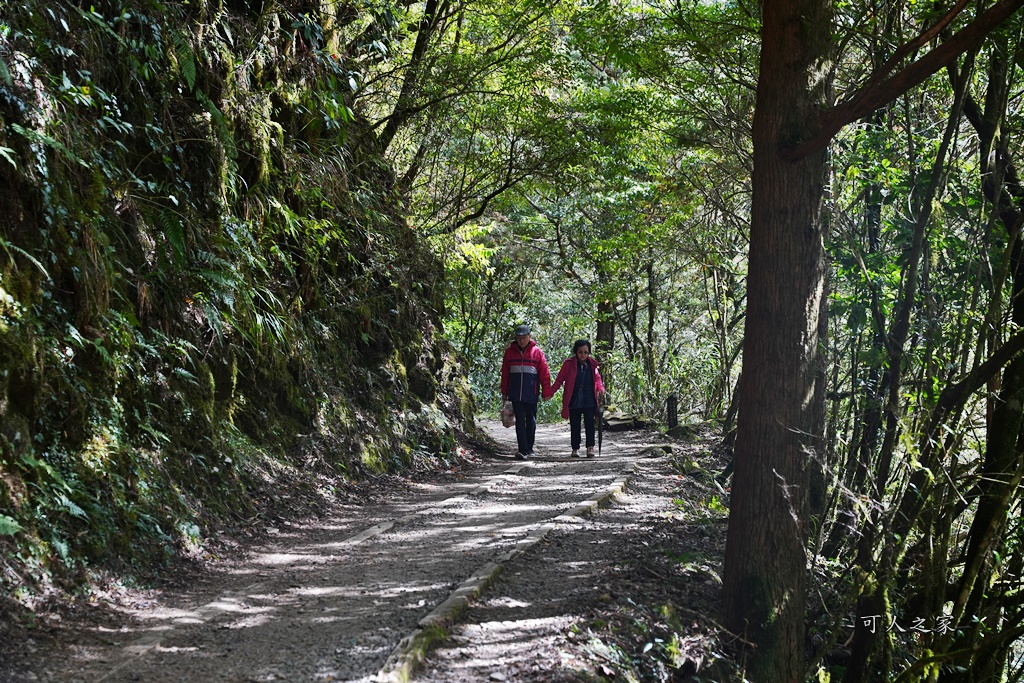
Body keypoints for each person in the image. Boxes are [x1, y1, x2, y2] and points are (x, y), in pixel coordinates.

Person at [546, 339, 605, 458]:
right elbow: (559, 380)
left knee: (589, 424)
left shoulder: (592, 365)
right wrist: (550, 392)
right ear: (576, 352)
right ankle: (575, 448)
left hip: (589, 399)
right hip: (573, 399)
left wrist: (601, 389)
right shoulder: (568, 364)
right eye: (580, 352)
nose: (583, 355)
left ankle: (590, 447)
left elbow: (597, 379)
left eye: (585, 352)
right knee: (575, 425)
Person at [500, 324, 552, 459]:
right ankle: (522, 449)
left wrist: (546, 392)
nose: (521, 340)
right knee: (520, 422)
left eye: (524, 337)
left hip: (532, 392)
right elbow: (505, 374)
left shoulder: (537, 353)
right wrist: (504, 392)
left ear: (529, 337)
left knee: (531, 421)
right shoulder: (509, 352)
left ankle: (529, 447)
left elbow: (545, 374)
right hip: (515, 393)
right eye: (519, 338)